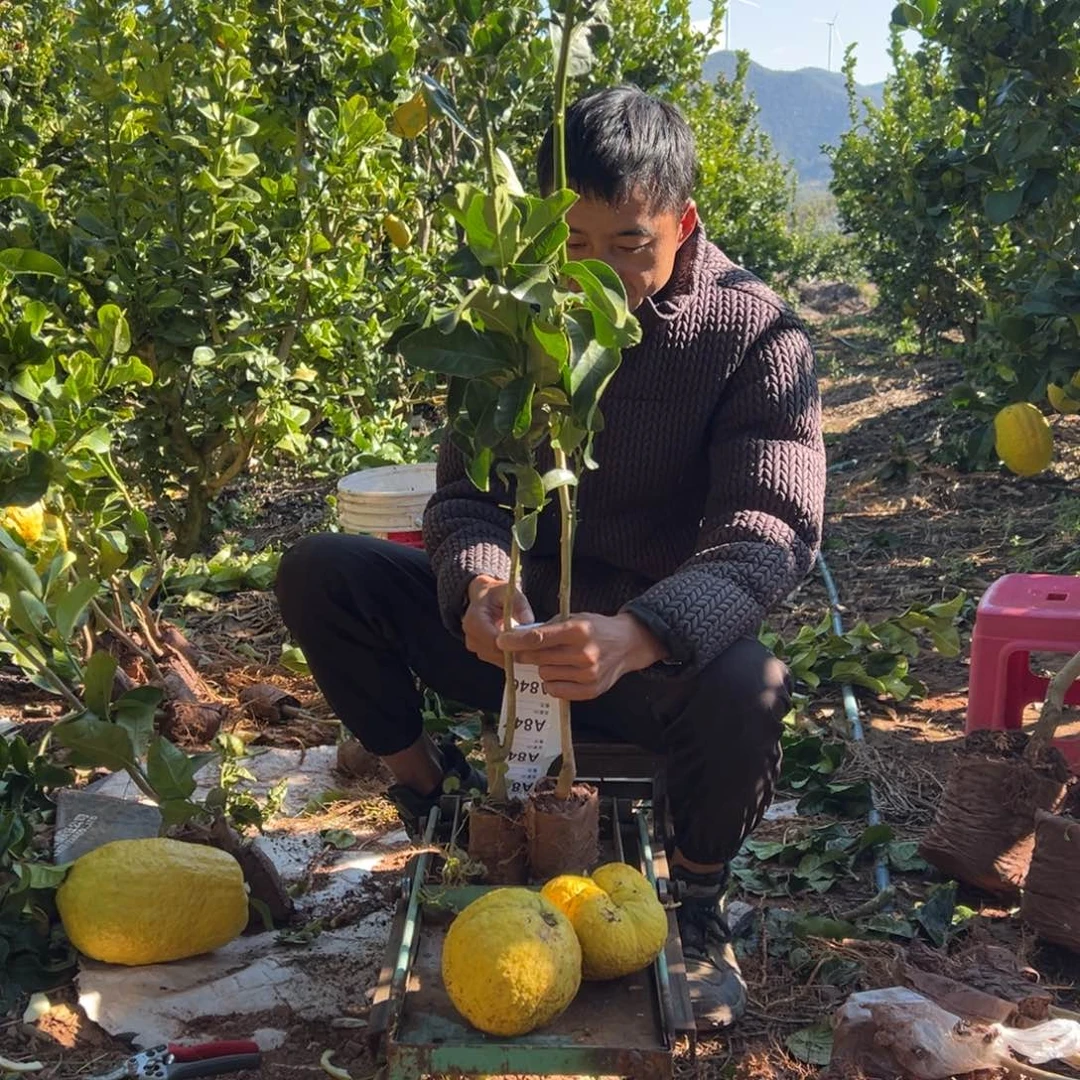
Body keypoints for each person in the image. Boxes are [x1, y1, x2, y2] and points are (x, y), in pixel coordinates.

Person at [275, 85, 826, 1031]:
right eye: (574, 247)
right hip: (517, 652)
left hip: (649, 666)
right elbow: (461, 496)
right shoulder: (511, 325)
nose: (600, 278)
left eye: (630, 248)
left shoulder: (756, 336)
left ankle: (693, 897)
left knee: (755, 686)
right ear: (537, 229)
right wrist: (485, 583)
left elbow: (769, 530)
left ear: (683, 223)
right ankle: (428, 791)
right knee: (324, 571)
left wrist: (640, 633)